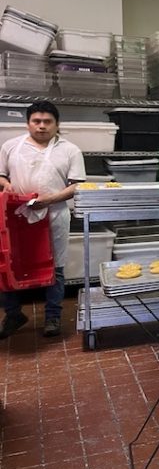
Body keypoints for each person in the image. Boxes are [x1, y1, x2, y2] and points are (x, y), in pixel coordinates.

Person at [0, 100, 85, 338]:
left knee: (55, 267)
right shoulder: (10, 147)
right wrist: (7, 187)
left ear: (57, 124)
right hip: (16, 216)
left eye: (47, 122)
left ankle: (53, 317)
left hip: (54, 214)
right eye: (36, 121)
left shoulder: (70, 150)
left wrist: (49, 200)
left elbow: (77, 185)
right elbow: (1, 175)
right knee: (9, 265)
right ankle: (13, 314)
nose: (41, 126)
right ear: (28, 123)